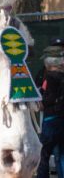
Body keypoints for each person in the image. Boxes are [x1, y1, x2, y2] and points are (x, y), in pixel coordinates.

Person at [36, 40, 64, 178]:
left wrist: (41, 103)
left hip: (51, 120)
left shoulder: (50, 78)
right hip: (61, 119)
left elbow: (49, 99)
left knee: (43, 153)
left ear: (49, 64)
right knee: (61, 154)